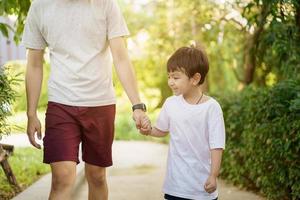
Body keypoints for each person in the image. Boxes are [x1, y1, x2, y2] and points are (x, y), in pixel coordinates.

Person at [22, 0, 149, 199]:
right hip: (61, 102)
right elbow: (34, 64)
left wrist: (137, 105)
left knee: (97, 176)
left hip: (101, 104)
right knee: (61, 178)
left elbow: (121, 58)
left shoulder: (106, 5)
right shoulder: (40, 6)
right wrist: (31, 113)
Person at [140, 45, 225, 200]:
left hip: (202, 189)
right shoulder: (171, 103)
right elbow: (162, 130)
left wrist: (213, 175)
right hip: (176, 187)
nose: (170, 82)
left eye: (176, 77)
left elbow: (217, 145)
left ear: (195, 78)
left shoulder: (211, 108)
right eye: (169, 77)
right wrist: (148, 130)